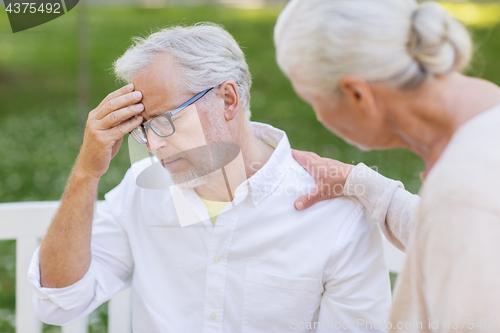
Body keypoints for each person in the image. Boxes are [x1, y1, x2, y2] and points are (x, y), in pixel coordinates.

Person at [28, 23, 402, 332]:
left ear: (227, 99)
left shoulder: (335, 215)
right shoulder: (142, 190)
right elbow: (58, 303)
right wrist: (86, 173)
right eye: (141, 128)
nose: (153, 145)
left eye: (165, 121)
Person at [274, 0, 500, 330]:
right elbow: (448, 239)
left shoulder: (463, 194)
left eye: (314, 102)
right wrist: (357, 181)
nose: (319, 118)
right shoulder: (484, 125)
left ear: (357, 94)